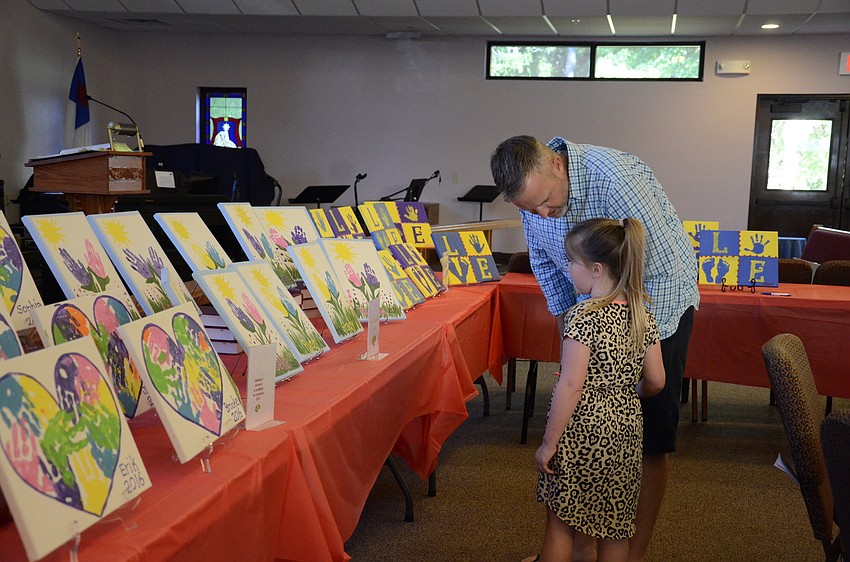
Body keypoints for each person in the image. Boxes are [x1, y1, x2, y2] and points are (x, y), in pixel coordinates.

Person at [491, 135, 698, 562]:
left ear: (557, 165)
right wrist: (578, 332)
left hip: (658, 306)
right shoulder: (536, 196)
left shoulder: (616, 177)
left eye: (546, 201)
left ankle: (632, 556)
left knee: (652, 442)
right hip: (599, 316)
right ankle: (584, 553)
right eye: (530, 209)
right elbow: (547, 266)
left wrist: (629, 332)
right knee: (589, 465)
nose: (543, 214)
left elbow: (653, 268)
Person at [534, 217, 665, 562]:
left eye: (571, 261)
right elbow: (657, 381)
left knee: (560, 524)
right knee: (615, 528)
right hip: (625, 432)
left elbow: (571, 384)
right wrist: (627, 393)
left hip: (580, 431)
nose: (567, 268)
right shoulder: (643, 317)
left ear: (595, 269)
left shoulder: (583, 317)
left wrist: (549, 443)